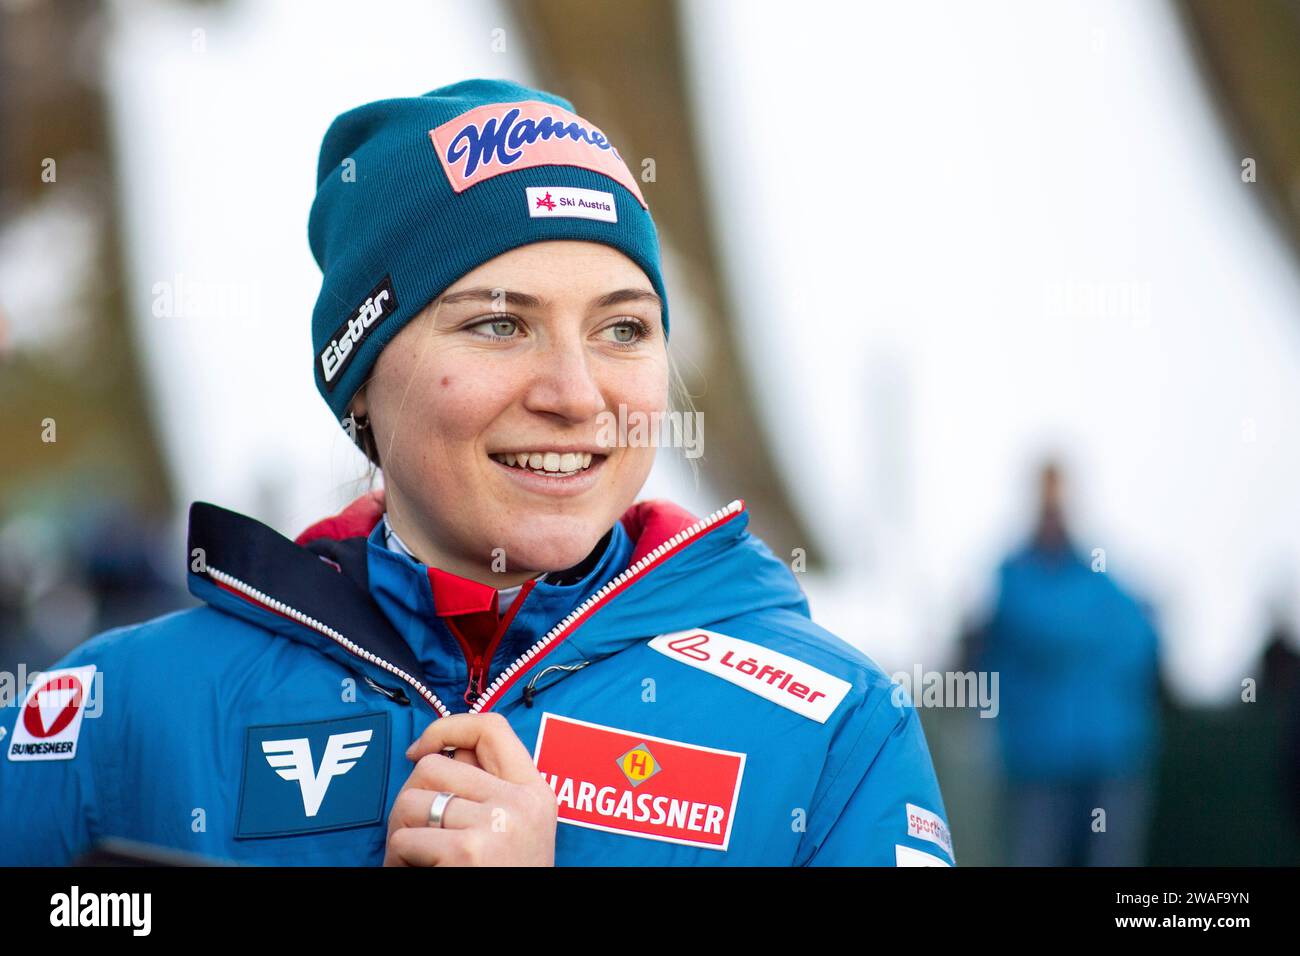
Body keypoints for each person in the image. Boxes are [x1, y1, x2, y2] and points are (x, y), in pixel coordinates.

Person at [0, 79, 954, 866]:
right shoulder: (115, 714)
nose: (578, 395)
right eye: (499, 323)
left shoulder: (836, 728)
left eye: (623, 327)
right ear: (362, 379)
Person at [973, 460, 1160, 866]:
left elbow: (1142, 638)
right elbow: (1040, 628)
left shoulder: (1098, 574)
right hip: (1037, 764)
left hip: (1110, 758)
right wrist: (1092, 636)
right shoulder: (1013, 577)